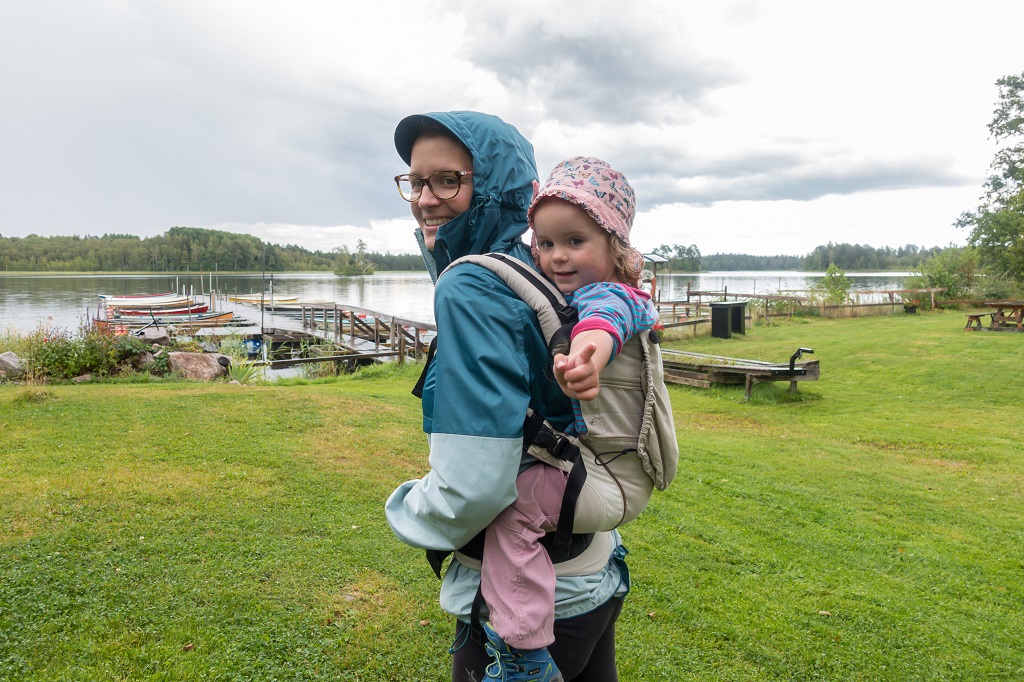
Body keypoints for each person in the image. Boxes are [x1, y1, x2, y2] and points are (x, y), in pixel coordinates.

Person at [384, 113, 629, 682]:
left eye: (448, 180)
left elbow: (473, 486)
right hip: (591, 568)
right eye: (414, 182)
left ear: (493, 185)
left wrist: (406, 510)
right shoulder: (532, 267)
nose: (424, 198)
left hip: (524, 600)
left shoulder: (472, 285)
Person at [477, 158, 668, 677]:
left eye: (575, 241)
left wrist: (587, 359)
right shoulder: (575, 289)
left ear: (614, 247)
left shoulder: (608, 295)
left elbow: (601, 325)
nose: (557, 256)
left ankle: (523, 651)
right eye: (545, 242)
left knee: (510, 508)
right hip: (607, 468)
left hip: (609, 478)